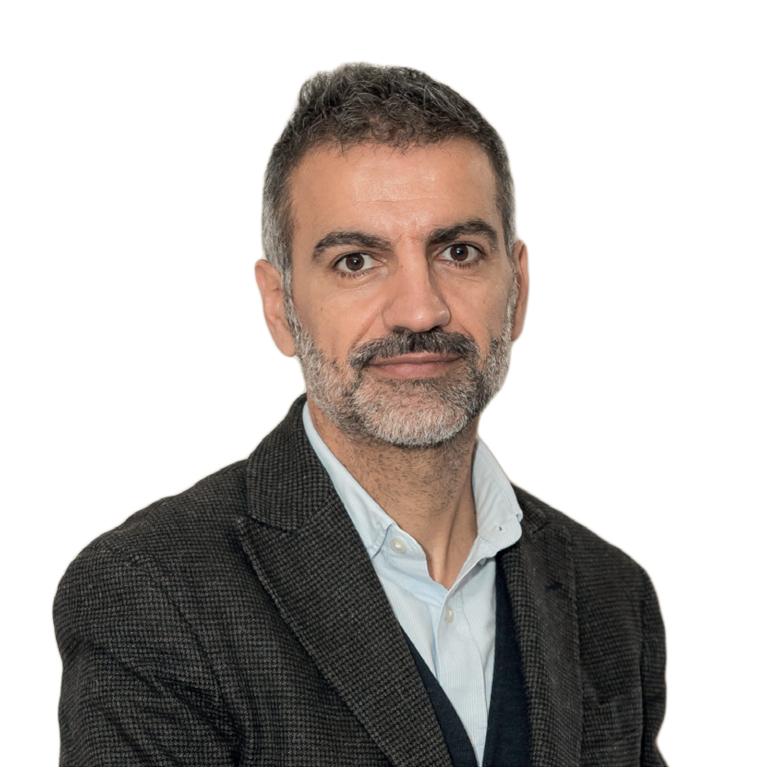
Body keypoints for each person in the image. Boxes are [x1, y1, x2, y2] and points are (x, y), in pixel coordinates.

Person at [54, 63, 666, 767]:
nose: (420, 310)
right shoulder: (151, 592)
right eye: (355, 261)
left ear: (517, 289)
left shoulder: (611, 599)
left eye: (459, 252)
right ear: (280, 306)